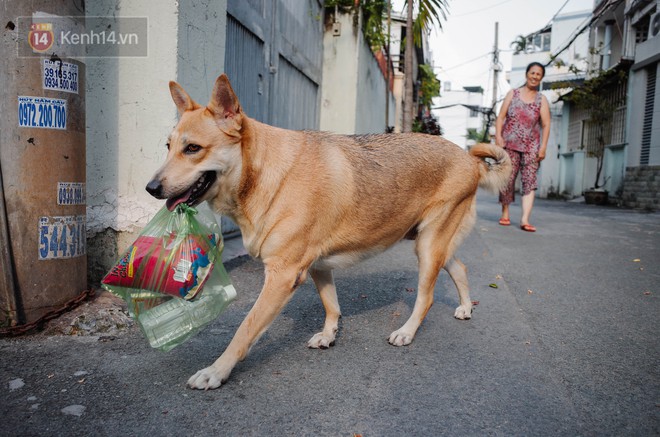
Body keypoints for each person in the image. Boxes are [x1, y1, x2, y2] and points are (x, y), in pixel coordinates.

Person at [495, 62, 551, 232]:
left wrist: (543, 147)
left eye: (538, 74)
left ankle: (525, 219)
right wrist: (498, 136)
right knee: (508, 179)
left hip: (531, 147)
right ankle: (505, 213)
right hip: (509, 144)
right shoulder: (513, 94)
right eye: (532, 73)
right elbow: (501, 117)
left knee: (529, 181)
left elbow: (546, 124)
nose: (535, 76)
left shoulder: (542, 100)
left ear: (541, 78)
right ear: (527, 74)